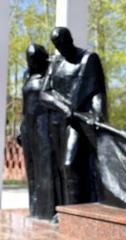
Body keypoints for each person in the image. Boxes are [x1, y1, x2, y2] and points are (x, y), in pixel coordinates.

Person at [40, 27, 107, 205]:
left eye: (65, 43)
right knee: (62, 167)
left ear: (71, 38)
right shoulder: (55, 63)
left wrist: (98, 114)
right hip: (58, 123)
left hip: (80, 122)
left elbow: (97, 91)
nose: (63, 47)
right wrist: (62, 107)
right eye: (58, 45)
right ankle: (66, 211)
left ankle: (74, 213)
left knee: (71, 164)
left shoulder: (88, 59)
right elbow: (44, 93)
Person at [18, 43, 58, 220]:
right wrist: (21, 125)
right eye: (30, 60)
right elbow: (25, 103)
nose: (33, 63)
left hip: (44, 122)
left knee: (46, 165)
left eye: (36, 60)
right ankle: (34, 209)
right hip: (28, 124)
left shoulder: (51, 73)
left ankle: (49, 210)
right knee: (32, 167)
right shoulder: (27, 74)